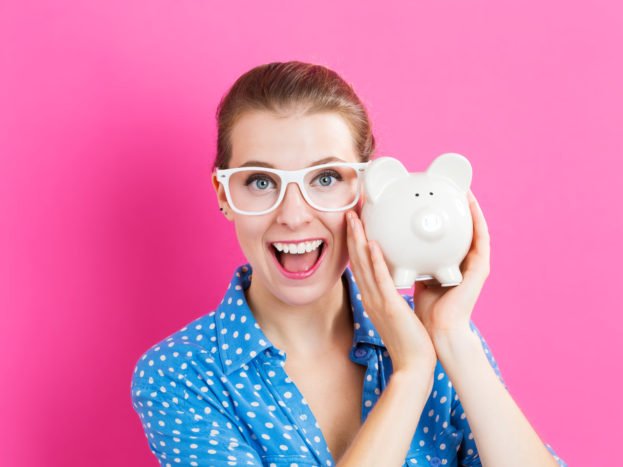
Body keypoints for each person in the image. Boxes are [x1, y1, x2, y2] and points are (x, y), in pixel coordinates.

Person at [130, 61, 567, 466]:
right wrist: (411, 375)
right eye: (261, 182)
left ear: (367, 189)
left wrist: (452, 340)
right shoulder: (179, 374)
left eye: (326, 179)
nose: (294, 215)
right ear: (226, 195)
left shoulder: (443, 337)